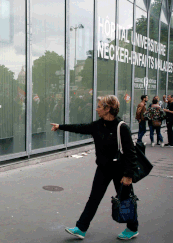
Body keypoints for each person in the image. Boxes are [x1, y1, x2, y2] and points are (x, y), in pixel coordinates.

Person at [51, 95, 139, 240]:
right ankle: (81, 228)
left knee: (125, 200)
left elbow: (131, 154)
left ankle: (132, 228)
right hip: (103, 169)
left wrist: (128, 175)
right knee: (94, 198)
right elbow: (80, 127)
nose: (96, 109)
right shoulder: (98, 125)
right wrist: (60, 126)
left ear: (107, 108)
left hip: (120, 171)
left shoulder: (121, 127)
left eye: (99, 106)